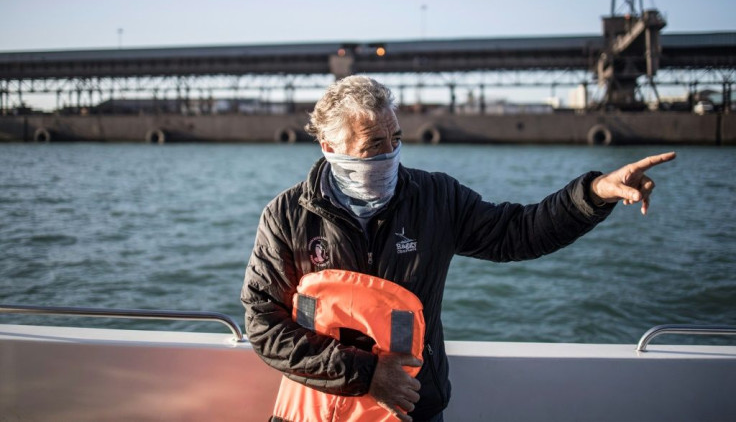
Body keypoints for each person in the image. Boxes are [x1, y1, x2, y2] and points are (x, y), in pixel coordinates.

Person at [241, 75, 676, 421]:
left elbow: (518, 232)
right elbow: (263, 323)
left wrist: (595, 193)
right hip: (319, 410)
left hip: (413, 408)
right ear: (330, 147)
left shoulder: (436, 197)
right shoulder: (286, 215)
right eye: (374, 145)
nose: (390, 153)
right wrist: (367, 375)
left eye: (396, 138)